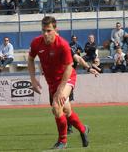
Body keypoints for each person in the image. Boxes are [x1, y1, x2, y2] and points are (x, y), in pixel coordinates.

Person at [28, 16, 96, 149]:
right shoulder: (36, 43)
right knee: (66, 110)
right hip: (52, 82)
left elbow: (69, 67)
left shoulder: (63, 45)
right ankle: (83, 129)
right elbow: (30, 59)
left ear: (55, 30)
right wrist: (33, 79)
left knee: (56, 106)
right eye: (43, 30)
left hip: (67, 78)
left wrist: (61, 89)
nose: (45, 34)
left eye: (48, 30)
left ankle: (62, 141)